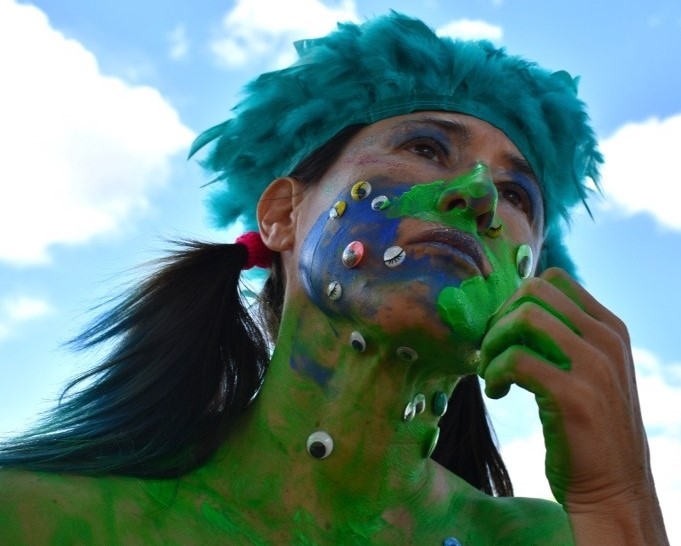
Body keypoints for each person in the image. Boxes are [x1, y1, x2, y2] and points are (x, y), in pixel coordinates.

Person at [0, 12, 669, 545]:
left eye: (517, 195)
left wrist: (618, 497)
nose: (478, 196)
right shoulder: (35, 516)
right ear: (281, 214)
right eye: (425, 147)